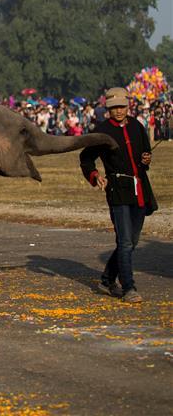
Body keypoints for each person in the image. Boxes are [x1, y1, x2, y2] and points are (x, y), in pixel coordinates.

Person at [79, 87, 157, 303]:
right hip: (117, 190)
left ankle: (106, 280)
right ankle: (128, 287)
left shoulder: (137, 127)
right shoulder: (101, 132)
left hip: (140, 190)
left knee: (131, 241)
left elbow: (145, 155)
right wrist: (95, 176)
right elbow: (86, 159)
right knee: (124, 242)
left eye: (122, 106)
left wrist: (146, 160)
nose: (119, 111)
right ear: (108, 108)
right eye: (114, 108)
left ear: (128, 105)